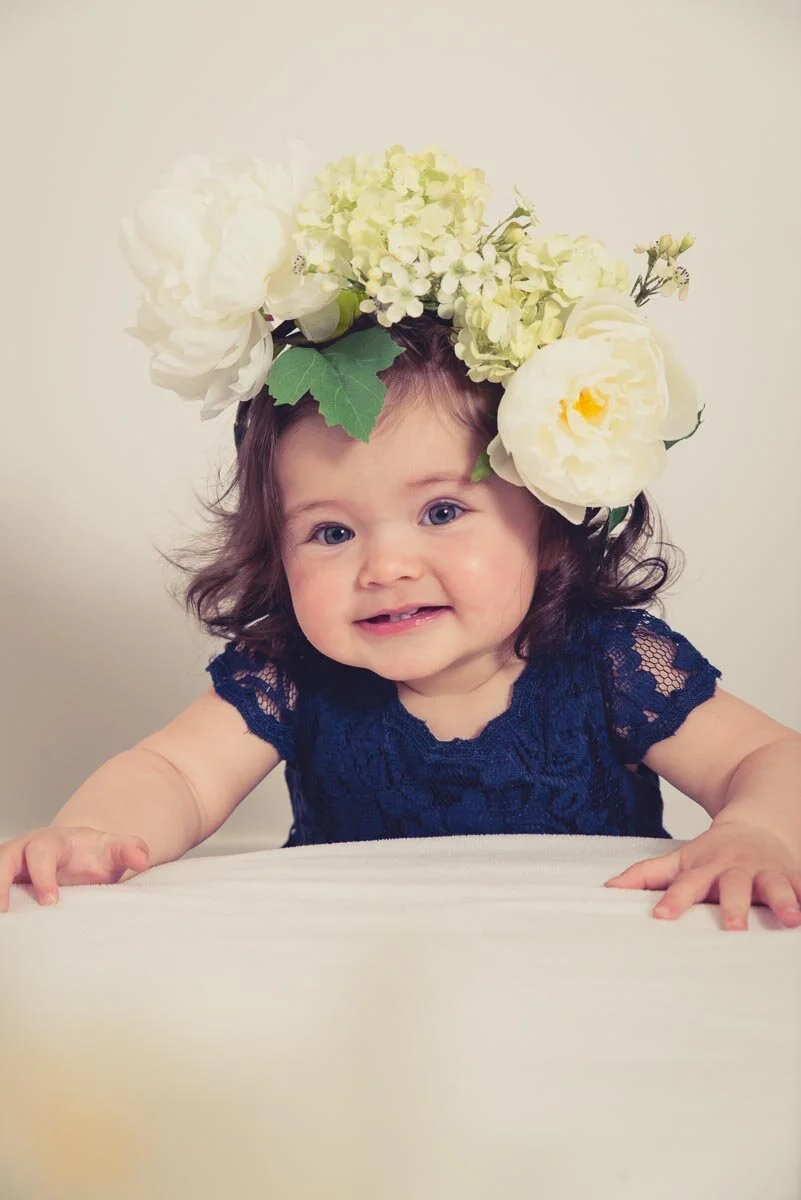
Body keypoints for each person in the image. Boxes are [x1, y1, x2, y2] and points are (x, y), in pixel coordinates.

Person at [1, 144, 799, 930]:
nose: (385, 566)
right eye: (331, 531)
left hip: (580, 973)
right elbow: (171, 771)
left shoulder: (609, 663)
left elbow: (764, 760)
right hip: (363, 980)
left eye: (442, 513)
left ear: (549, 515)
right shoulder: (293, 673)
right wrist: (99, 832)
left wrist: (754, 830)